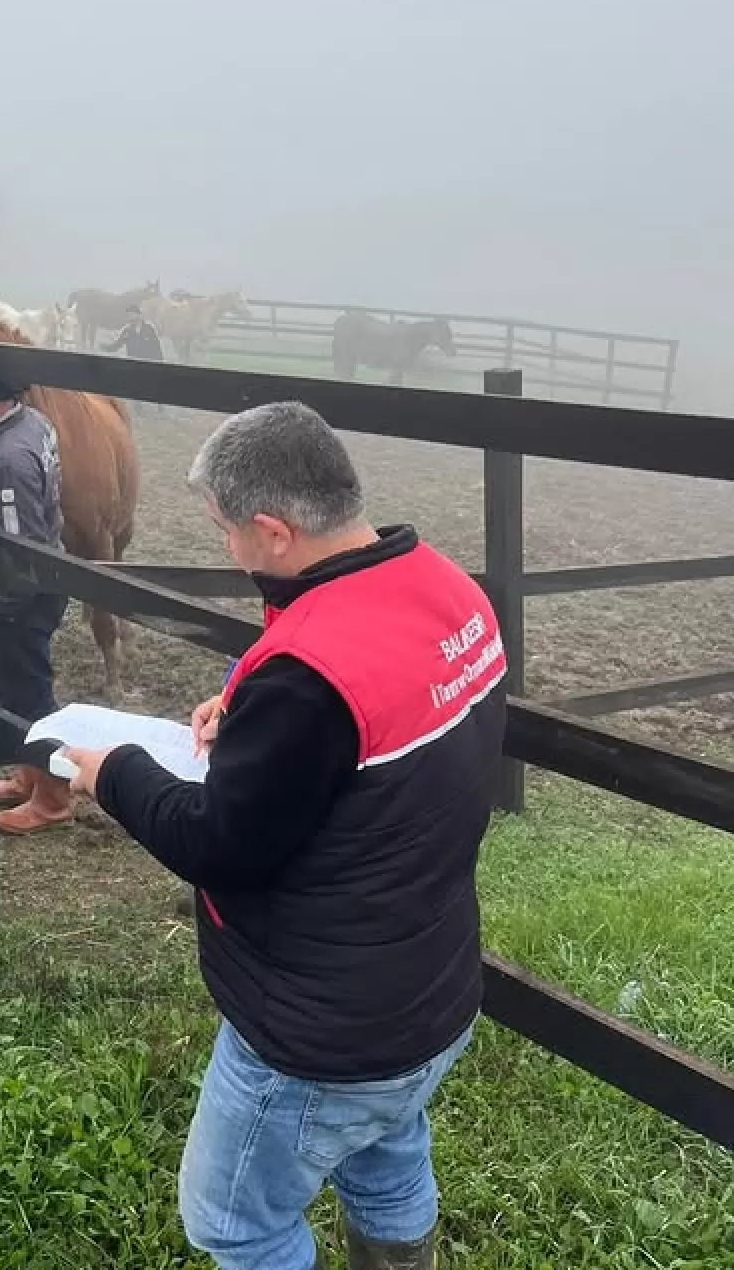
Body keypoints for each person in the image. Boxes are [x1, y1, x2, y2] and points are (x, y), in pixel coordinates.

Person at [60, 401, 507, 1270]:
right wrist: (252, 716)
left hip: (319, 1034)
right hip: (430, 992)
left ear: (272, 530)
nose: (225, 547)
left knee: (236, 1222)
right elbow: (376, 743)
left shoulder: (309, 679)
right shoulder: (450, 591)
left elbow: (219, 844)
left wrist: (113, 771)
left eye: (224, 530)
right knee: (386, 1155)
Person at [0, 377, 71, 836]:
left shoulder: (7, 460)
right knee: (16, 685)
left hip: (22, 593)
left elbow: (20, 549)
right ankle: (29, 775)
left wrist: (5, 607)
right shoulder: (33, 421)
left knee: (28, 693)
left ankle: (53, 797)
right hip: (44, 580)